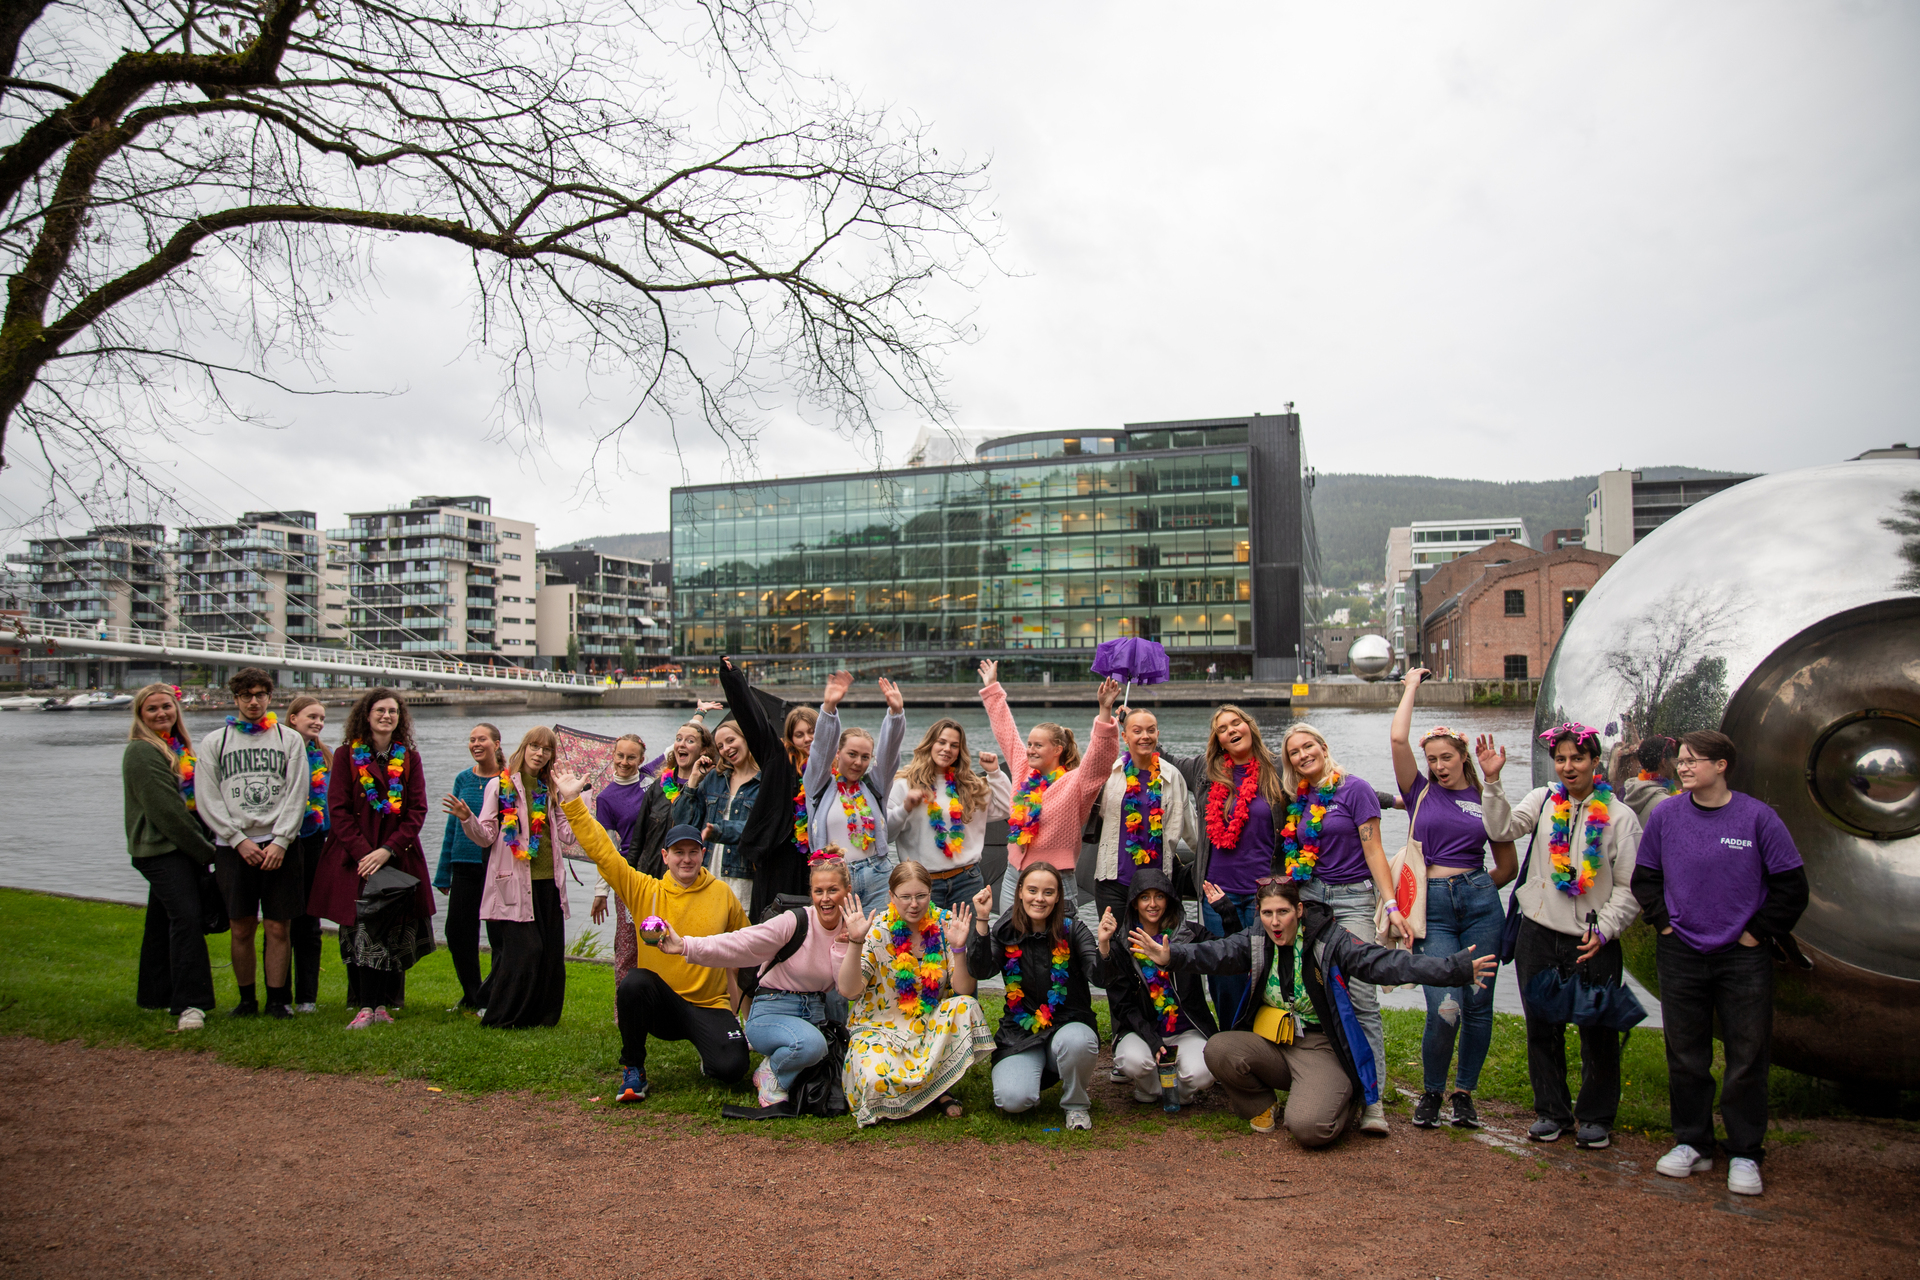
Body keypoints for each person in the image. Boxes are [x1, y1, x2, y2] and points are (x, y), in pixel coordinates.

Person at [1143, 878, 1497, 1146]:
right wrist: (1172, 956)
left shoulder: (1331, 940)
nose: (1275, 922)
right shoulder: (1256, 940)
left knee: (1309, 1129)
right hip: (1273, 1044)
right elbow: (1215, 953)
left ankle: (1342, 1098)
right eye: (1267, 913)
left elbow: (1383, 963)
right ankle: (1264, 1105)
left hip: (1320, 1046)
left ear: (1299, 910)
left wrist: (1454, 968)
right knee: (1219, 1048)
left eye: (1283, 912)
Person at [1633, 730, 1807, 1198]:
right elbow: (1645, 879)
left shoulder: (1757, 818)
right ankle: (1693, 1142)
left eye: (1693, 761)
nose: (1683, 767)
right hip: (1682, 951)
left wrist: (1756, 933)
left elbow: (1792, 887)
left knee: (1747, 1055)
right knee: (1686, 1054)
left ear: (1721, 765)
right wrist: (1665, 925)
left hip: (1742, 957)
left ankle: (1746, 1152)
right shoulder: (1667, 815)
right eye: (1681, 761)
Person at [1478, 722, 1642, 1149]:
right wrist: (1492, 781)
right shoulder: (1545, 800)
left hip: (1591, 939)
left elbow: (1630, 887)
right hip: (1538, 932)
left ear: (1595, 762)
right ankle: (1552, 1111)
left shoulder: (1620, 818)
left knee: (1598, 1029)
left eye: (1578, 758)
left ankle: (1595, 1117)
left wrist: (1605, 930)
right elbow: (1501, 830)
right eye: (1562, 759)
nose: (1569, 767)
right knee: (1541, 1026)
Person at [1389, 668, 1517, 1131]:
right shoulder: (1419, 791)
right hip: (1434, 910)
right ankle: (1431, 1092)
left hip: (1480, 903)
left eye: (1447, 758)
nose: (1439, 766)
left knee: (1478, 1005)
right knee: (1445, 1006)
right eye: (1433, 759)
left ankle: (1464, 1094)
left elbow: (1507, 865)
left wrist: (1477, 890)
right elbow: (1399, 741)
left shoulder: (1485, 800)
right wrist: (1410, 688)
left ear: (1464, 757)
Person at [565, 793, 751, 1101]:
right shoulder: (643, 889)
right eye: (679, 852)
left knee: (732, 1069)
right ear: (665, 856)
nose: (686, 859)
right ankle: (633, 1068)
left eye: (693, 852)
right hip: (661, 1007)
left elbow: (747, 946)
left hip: (709, 1005)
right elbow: (604, 854)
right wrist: (573, 802)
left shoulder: (723, 894)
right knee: (634, 982)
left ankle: (711, 1055)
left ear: (703, 854)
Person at [1282, 719, 1408, 1135]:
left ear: (1322, 745)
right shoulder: (1300, 798)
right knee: (1321, 993)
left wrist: (1390, 904)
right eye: (1294, 753)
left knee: (1361, 996)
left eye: (1307, 747)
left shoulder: (1355, 789)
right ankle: (1337, 1085)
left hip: (1353, 899)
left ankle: (1373, 1101)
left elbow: (1374, 851)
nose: (1302, 755)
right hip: (1313, 900)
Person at [660, 851, 856, 1109]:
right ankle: (771, 1073)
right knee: (812, 1045)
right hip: (770, 1013)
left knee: (822, 1050)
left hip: (813, 1016)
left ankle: (788, 1062)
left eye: (833, 890)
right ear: (811, 893)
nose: (826, 898)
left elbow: (846, 989)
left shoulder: (852, 928)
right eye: (818, 891)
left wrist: (850, 943)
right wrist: (685, 945)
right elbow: (740, 943)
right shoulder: (794, 921)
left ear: (848, 891)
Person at [307, 688, 434, 1029]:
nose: (387, 716)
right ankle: (364, 1005)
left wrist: (387, 849)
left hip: (397, 856)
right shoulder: (347, 754)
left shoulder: (409, 757)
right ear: (367, 715)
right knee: (360, 931)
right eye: (380, 710)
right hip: (356, 859)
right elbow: (338, 809)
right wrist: (366, 853)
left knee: (390, 930)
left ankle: (384, 1005)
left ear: (400, 718)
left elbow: (417, 809)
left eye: (393, 711)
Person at [836, 860, 990, 1126]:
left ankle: (936, 1091)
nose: (914, 904)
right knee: (874, 1080)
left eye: (921, 896)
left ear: (931, 894)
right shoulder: (878, 928)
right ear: (891, 897)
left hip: (929, 1025)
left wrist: (959, 949)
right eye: (905, 897)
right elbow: (849, 991)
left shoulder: (945, 924)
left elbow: (964, 989)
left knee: (966, 1006)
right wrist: (856, 940)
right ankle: (930, 1093)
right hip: (880, 1028)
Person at [195, 667, 309, 1018]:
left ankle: (278, 999)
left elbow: (297, 791)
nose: (254, 701)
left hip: (279, 844)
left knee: (278, 925)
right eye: (247, 696)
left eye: (260, 695)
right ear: (236, 699)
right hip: (234, 848)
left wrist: (281, 840)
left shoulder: (289, 739)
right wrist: (235, 838)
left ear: (270, 698)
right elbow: (207, 796)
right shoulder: (216, 742)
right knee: (241, 925)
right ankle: (246, 1000)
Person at [1167, 704, 1281, 1032]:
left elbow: (1326, 788)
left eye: (1236, 723)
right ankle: (1229, 1047)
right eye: (1222, 728)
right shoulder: (1206, 769)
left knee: (1264, 970)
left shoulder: (1276, 768)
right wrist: (1126, 720)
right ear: (1218, 740)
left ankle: (1262, 1042)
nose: (1231, 730)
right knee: (1224, 975)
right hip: (1217, 893)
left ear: (1249, 725)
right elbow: (1165, 759)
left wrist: (1392, 801)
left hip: (1266, 894)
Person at [978, 659, 1121, 920]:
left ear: (1057, 750)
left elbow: (1099, 758)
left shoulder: (1077, 782)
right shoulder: (1023, 771)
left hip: (1057, 878)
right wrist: (991, 687)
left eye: (1038, 745)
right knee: (1010, 939)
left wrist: (1105, 711)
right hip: (1016, 876)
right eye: (1029, 744)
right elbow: (1006, 732)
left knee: (1061, 945)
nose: (1029, 749)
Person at [453, 726, 574, 1029]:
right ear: (524, 748)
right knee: (525, 951)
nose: (540, 753)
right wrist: (468, 818)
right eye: (535, 746)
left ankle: (542, 1017)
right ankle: (501, 1016)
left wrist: (576, 801)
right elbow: (486, 835)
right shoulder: (501, 785)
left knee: (548, 953)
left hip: (549, 882)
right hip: (516, 883)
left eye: (546, 750)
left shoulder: (551, 788)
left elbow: (567, 834)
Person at [966, 864, 1103, 1129]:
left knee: (1078, 1042)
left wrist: (1105, 946)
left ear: (1058, 897)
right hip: (1020, 1033)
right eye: (1032, 890)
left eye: (1048, 892)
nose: (1039, 898)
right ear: (1019, 892)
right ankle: (1032, 1073)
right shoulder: (1005, 932)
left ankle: (1076, 1104)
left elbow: (1100, 977)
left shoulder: (1073, 930)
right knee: (1013, 1101)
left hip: (1067, 1025)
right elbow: (981, 970)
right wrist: (982, 920)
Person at [123, 684, 219, 1031]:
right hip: (162, 849)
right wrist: (208, 853)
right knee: (187, 919)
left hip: (179, 848)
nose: (161, 713)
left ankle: (155, 993)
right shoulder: (142, 752)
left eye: (167, 706)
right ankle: (191, 1004)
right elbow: (166, 813)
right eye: (152, 709)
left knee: (162, 919)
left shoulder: (176, 748)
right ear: (140, 716)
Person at [1097, 867, 1229, 1108]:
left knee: (1202, 1072)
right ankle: (1149, 1086)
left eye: (1159, 896)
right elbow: (1120, 1002)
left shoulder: (1190, 935)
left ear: (1169, 900)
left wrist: (1226, 913)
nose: (1152, 904)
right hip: (1142, 1031)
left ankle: (1180, 1091)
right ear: (1134, 904)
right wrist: (1104, 945)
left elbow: (1229, 954)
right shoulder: (1123, 942)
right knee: (1133, 1061)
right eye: (1145, 897)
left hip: (1185, 1030)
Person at [711, 656, 819, 919]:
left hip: (818, 858)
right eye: (799, 734)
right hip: (780, 854)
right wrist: (734, 680)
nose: (807, 739)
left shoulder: (832, 769)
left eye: (813, 731)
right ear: (790, 739)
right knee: (773, 923)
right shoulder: (779, 761)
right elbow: (755, 724)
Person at [804, 671, 907, 914]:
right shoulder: (819, 785)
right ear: (837, 754)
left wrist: (895, 715)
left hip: (877, 875)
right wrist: (829, 708)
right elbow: (819, 751)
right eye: (852, 754)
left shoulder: (874, 786)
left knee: (882, 941)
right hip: (834, 878)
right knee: (837, 943)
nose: (858, 763)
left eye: (865, 757)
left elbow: (889, 755)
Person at [887, 718, 1010, 912]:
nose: (947, 749)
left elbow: (1006, 808)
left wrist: (994, 773)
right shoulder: (904, 785)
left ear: (960, 751)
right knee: (926, 942)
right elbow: (887, 835)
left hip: (967, 882)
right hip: (922, 885)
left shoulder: (971, 786)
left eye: (954, 745)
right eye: (942, 742)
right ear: (930, 744)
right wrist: (905, 808)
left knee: (969, 942)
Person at [1089, 706, 1197, 927]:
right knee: (1117, 951)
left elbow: (1192, 830)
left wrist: (1215, 863)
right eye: (1137, 731)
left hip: (1156, 886)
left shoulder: (1171, 776)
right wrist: (1104, 709)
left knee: (1156, 952)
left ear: (1158, 734)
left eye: (1151, 730)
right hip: (1114, 882)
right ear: (1125, 736)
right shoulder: (1111, 773)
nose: (1144, 736)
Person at [433, 721, 503, 1011]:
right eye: (472, 739)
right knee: (458, 932)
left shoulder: (507, 779)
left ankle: (492, 995)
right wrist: (443, 872)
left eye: (482, 739)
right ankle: (472, 994)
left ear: (496, 744)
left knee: (498, 935)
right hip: (463, 864)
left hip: (495, 867)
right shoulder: (463, 778)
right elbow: (452, 826)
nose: (476, 744)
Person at [675, 717, 761, 905]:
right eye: (720, 746)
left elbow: (758, 828)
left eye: (731, 741)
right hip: (708, 872)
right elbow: (683, 821)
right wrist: (693, 781)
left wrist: (718, 831)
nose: (726, 749)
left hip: (743, 877)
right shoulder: (715, 777)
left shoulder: (763, 782)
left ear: (746, 738)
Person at [284, 695, 331, 1014]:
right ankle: (279, 994)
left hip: (315, 840)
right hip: (284, 841)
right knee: (282, 921)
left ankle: (307, 997)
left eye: (321, 718)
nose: (317, 722)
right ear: (293, 718)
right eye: (311, 717)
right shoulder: (281, 750)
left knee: (309, 922)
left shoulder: (323, 755)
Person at [1614, 735, 1682, 824]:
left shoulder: (1629, 789)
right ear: (1664, 762)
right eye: (1675, 761)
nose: (1675, 767)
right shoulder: (1667, 804)